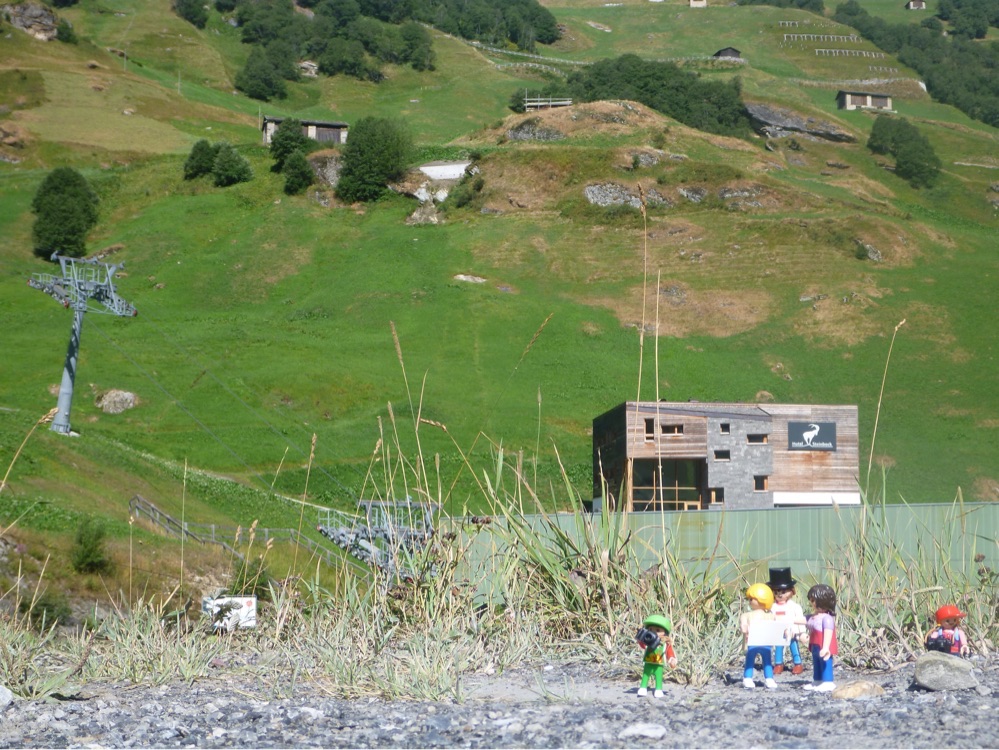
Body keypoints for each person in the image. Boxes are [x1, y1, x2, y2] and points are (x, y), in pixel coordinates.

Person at [768, 567, 805, 675]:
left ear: (791, 591)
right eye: (776, 591)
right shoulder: (772, 607)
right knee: (778, 647)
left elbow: (800, 620)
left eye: (783, 591)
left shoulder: (795, 607)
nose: (780, 594)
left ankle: (798, 663)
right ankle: (778, 664)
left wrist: (801, 633)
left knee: (794, 646)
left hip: (791, 631)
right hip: (778, 631)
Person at [740, 583, 778, 689]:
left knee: (767, 661)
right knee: (750, 659)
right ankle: (747, 678)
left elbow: (776, 626)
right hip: (752, 642)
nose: (750, 601)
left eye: (752, 599)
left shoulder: (770, 616)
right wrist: (744, 628)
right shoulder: (747, 615)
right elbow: (743, 625)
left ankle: (769, 678)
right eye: (750, 599)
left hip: (765, 642)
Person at [804, 583, 837, 692]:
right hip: (815, 644)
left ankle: (828, 681)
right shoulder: (813, 617)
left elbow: (828, 632)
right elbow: (803, 619)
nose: (811, 603)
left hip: (823, 644)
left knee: (825, 661)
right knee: (816, 662)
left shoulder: (827, 618)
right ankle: (817, 679)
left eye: (813, 600)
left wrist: (826, 647)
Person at [636, 614, 677, 698]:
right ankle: (643, 687)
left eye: (658, 630)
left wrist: (671, 659)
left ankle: (658, 689)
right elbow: (643, 646)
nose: (654, 632)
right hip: (648, 661)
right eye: (651, 629)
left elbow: (669, 651)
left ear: (664, 632)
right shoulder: (648, 640)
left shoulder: (665, 643)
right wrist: (640, 638)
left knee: (658, 676)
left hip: (659, 663)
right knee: (645, 675)